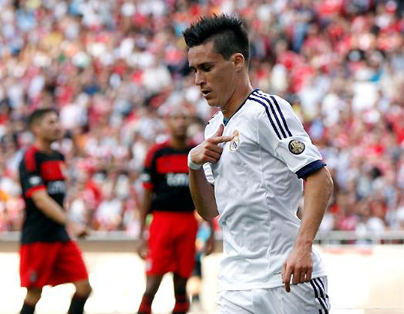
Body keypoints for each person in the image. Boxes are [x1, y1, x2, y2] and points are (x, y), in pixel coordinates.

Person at [184, 15, 334, 313]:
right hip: (235, 284)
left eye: (207, 68)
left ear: (237, 61)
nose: (199, 80)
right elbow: (208, 210)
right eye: (194, 70)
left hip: (287, 280)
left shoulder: (267, 110)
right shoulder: (213, 127)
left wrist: (302, 246)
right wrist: (194, 165)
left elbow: (319, 178)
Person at [137, 108, 212, 314]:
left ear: (189, 123)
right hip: (161, 222)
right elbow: (146, 196)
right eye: (175, 117)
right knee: (152, 285)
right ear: (167, 123)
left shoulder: (197, 152)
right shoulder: (156, 153)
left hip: (188, 222)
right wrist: (141, 234)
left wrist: (211, 232)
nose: (180, 122)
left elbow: (206, 194)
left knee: (181, 286)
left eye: (184, 118)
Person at [18, 108, 92, 314]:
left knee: (84, 287)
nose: (57, 126)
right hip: (38, 236)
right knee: (34, 295)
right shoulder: (31, 157)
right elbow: (40, 199)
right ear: (36, 128)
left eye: (57, 121)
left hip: (59, 235)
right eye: (51, 122)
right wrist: (71, 222)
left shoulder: (59, 156)